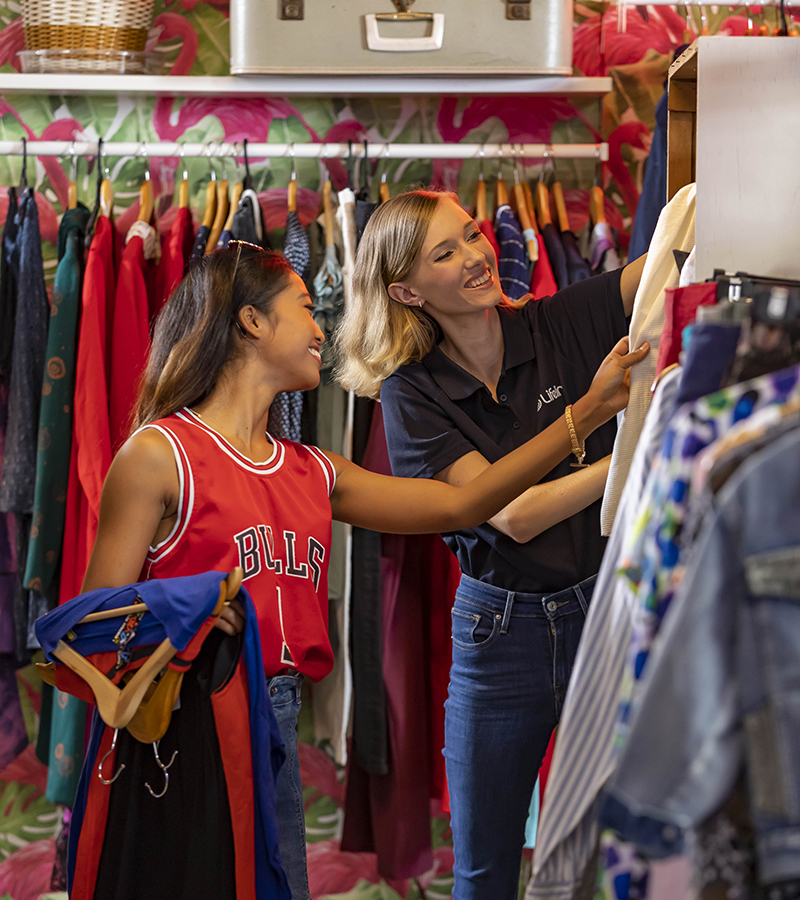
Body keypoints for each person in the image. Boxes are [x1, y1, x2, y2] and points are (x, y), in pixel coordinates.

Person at [82, 242, 647, 900]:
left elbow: (465, 503)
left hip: (274, 717)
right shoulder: (159, 454)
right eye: (303, 308)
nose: (322, 326)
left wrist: (589, 415)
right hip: (182, 722)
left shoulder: (313, 471)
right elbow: (97, 623)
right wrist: (194, 607)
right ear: (252, 322)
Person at [334, 190, 648, 900]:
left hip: (606, 610)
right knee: (484, 864)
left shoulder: (561, 318)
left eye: (471, 234)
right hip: (499, 635)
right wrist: (629, 454)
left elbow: (662, 266)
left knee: (619, 845)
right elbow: (516, 516)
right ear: (407, 290)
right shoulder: (410, 394)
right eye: (445, 253)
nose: (477, 255)